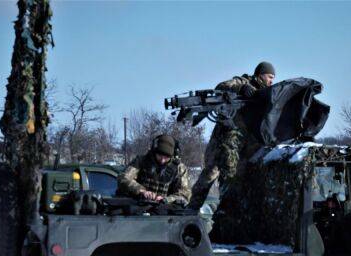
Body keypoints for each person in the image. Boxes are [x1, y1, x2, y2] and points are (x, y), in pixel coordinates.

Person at [188, 61, 276, 210]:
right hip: (223, 141)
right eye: (269, 76)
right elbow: (221, 86)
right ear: (260, 75)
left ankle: (225, 215)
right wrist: (242, 88)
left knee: (234, 181)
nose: (271, 81)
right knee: (209, 175)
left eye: (273, 77)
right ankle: (191, 210)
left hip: (242, 147)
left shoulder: (268, 94)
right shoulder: (244, 81)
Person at [117, 134, 191, 206]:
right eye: (160, 155)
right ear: (154, 151)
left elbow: (184, 193)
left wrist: (166, 199)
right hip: (137, 206)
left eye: (166, 157)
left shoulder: (179, 169)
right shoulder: (141, 161)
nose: (162, 160)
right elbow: (123, 178)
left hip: (164, 210)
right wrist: (141, 191)